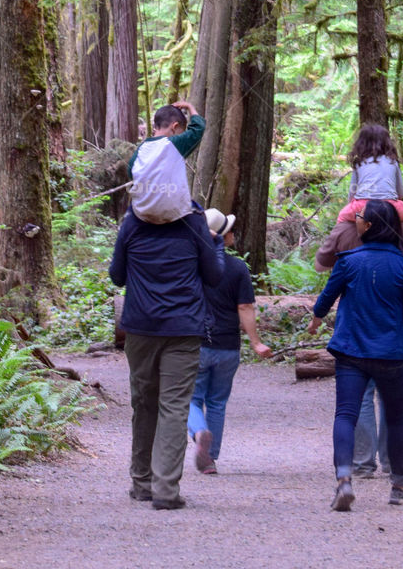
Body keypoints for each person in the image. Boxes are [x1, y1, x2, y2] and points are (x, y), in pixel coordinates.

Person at [308, 199, 403, 512]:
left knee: (345, 414)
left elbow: (327, 296)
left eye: (360, 217)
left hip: (351, 351)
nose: (356, 219)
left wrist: (315, 322)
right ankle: (398, 487)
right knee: (397, 417)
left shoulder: (347, 261)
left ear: (369, 226)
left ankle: (344, 480)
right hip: (391, 354)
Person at [108, 202, 223, 510]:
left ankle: (142, 484)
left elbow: (117, 276)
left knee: (145, 403)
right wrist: (215, 246)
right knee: (173, 406)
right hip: (183, 328)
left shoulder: (132, 221)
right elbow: (213, 276)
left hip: (141, 328)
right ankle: (166, 490)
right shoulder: (194, 222)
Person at [187, 208, 273, 473]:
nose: (234, 233)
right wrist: (255, 342)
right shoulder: (237, 268)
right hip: (227, 346)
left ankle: (199, 432)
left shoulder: (191, 265)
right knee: (217, 402)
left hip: (196, 343)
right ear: (222, 236)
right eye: (230, 230)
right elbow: (245, 307)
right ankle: (210, 458)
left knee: (189, 399)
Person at [336, 122, 403, 225]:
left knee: (342, 218)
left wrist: (352, 205)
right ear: (387, 142)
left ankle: (335, 240)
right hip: (390, 206)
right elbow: (400, 193)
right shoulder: (393, 162)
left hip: (362, 206)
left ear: (361, 142)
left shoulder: (359, 162)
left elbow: (352, 193)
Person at [127, 100, 205, 174]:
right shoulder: (172, 144)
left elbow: (130, 170)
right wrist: (189, 106)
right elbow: (199, 128)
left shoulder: (142, 148)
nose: (180, 136)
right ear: (175, 126)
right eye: (181, 133)